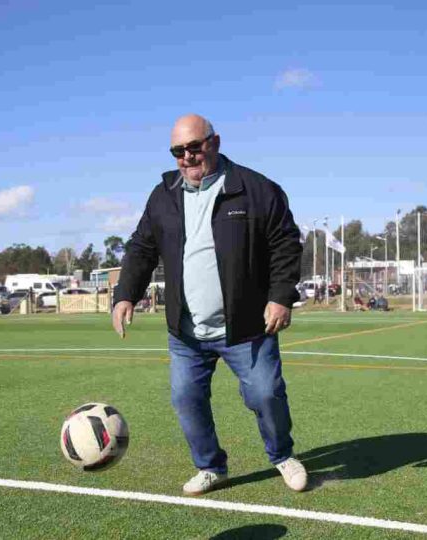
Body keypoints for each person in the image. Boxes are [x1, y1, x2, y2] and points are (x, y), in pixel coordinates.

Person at [112, 114, 307, 496]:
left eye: (194, 147)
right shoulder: (163, 194)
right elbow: (141, 248)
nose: (187, 157)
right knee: (186, 398)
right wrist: (125, 294)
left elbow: (286, 244)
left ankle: (282, 455)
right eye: (178, 151)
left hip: (248, 326)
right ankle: (210, 466)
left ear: (214, 142)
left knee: (265, 394)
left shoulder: (256, 189)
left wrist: (281, 296)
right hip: (187, 331)